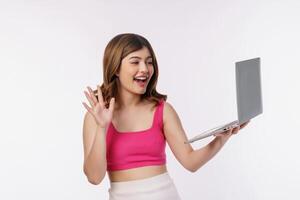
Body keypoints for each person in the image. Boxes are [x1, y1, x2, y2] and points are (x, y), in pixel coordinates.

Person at [81, 33, 250, 200]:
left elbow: (191, 162)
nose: (145, 69)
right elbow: (94, 177)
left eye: (149, 62)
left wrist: (221, 138)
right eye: (135, 62)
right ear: (115, 68)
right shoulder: (96, 116)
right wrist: (102, 127)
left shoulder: (162, 110)